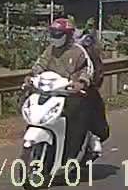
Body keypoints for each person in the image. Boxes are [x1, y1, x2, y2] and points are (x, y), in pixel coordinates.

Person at [31, 18, 94, 158]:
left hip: (71, 94)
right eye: (52, 33)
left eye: (58, 34)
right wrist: (32, 76)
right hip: (51, 93)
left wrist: (81, 82)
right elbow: (40, 65)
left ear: (68, 35)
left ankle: (72, 155)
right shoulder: (50, 50)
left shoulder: (78, 51)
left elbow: (87, 69)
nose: (54, 37)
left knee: (74, 123)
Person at [75, 27, 109, 157]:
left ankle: (92, 138)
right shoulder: (56, 51)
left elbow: (96, 74)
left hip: (84, 91)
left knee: (92, 111)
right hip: (59, 90)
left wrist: (84, 84)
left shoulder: (89, 54)